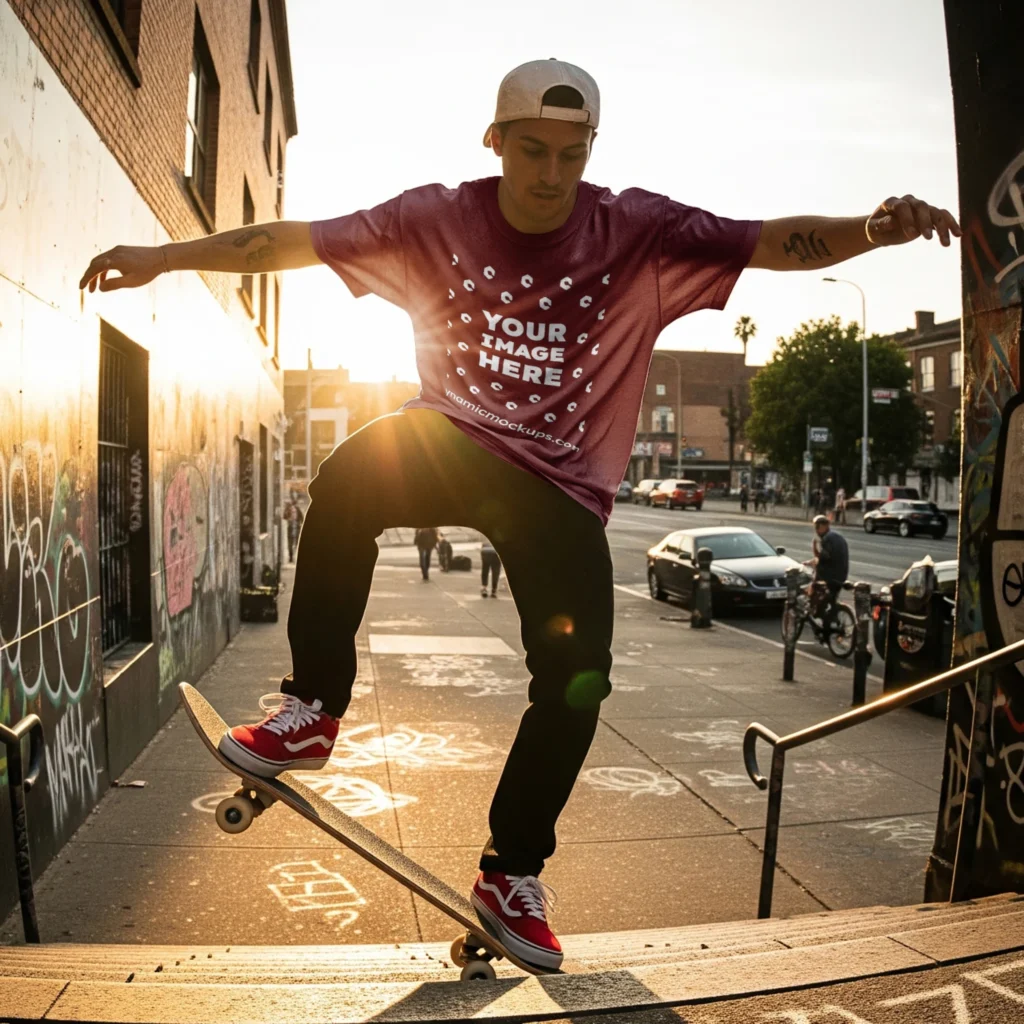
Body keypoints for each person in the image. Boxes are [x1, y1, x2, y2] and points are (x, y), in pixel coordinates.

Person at [79, 55, 959, 970]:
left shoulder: (639, 229)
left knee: (579, 677)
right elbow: (290, 242)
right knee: (347, 480)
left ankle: (511, 873)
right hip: (453, 436)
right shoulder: (435, 218)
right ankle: (312, 710)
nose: (549, 176)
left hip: (562, 484)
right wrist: (167, 258)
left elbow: (767, 241)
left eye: (570, 156)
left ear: (591, 151)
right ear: (494, 143)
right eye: (531, 151)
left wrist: (869, 230)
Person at [808, 513, 850, 630]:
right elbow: (831, 557)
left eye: (818, 527)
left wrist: (814, 548)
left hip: (831, 577)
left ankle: (820, 617)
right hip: (841, 575)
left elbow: (823, 557)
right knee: (830, 599)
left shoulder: (827, 539)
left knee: (815, 587)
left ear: (825, 526)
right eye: (815, 527)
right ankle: (830, 617)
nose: (816, 530)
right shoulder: (837, 537)